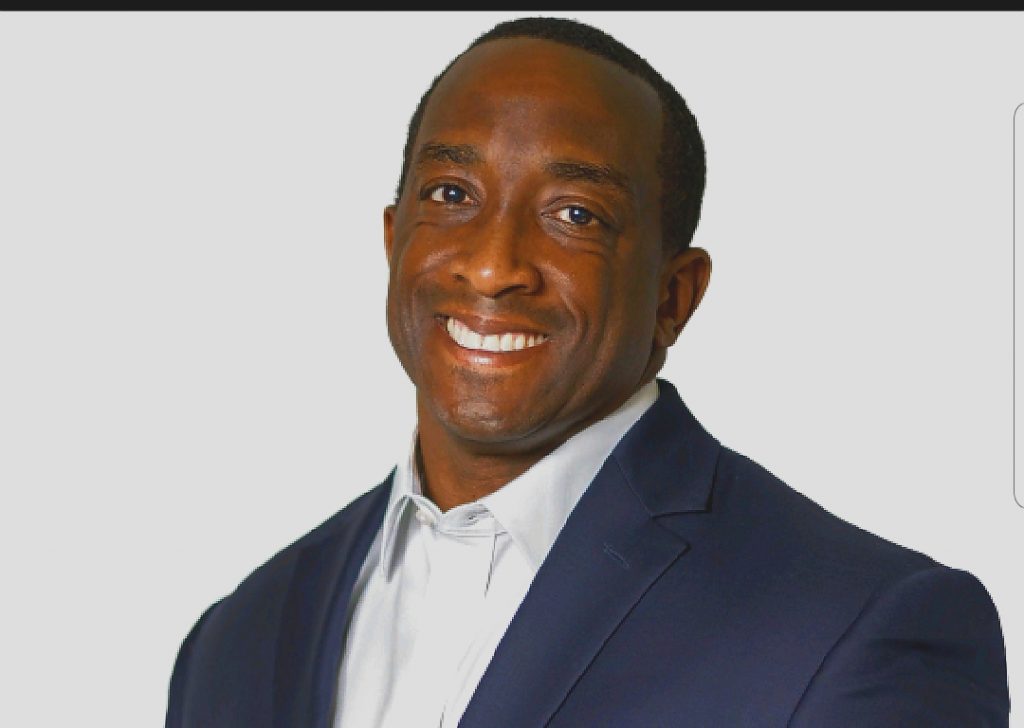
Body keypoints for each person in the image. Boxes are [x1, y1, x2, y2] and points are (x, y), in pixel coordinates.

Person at [165, 17, 1010, 728]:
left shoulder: (861, 628)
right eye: (452, 195)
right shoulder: (236, 642)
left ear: (674, 298)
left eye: (576, 214)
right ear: (393, 242)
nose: (494, 265)